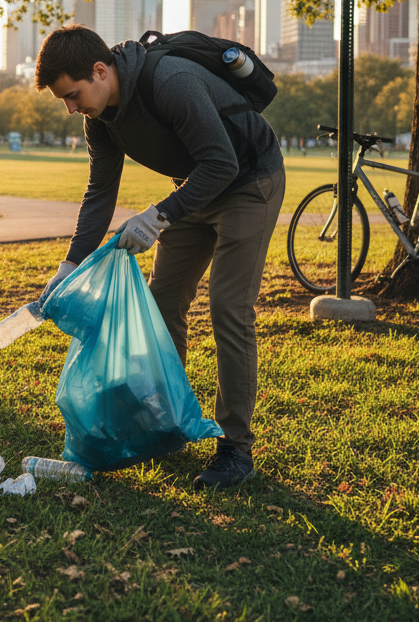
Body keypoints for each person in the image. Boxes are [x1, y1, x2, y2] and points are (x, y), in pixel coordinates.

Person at [36, 24, 285, 489]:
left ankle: (235, 448)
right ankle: (168, 421)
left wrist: (156, 218)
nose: (71, 108)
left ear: (99, 70)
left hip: (249, 182)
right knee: (162, 304)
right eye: (63, 101)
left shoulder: (170, 81)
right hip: (194, 189)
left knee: (229, 308)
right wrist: (70, 264)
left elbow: (223, 162)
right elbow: (100, 192)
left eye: (72, 95)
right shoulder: (100, 119)